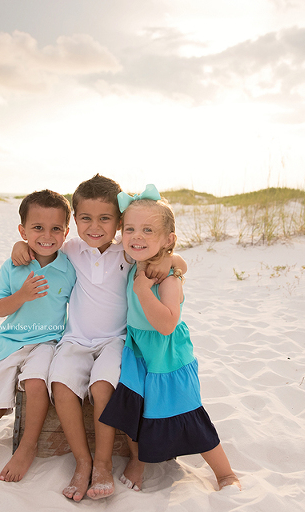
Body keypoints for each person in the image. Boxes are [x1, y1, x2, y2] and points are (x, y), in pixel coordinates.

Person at [10, 175, 187, 501]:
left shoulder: (128, 252)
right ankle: (83, 461)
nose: (95, 226)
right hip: (75, 339)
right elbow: (39, 247)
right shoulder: (72, 249)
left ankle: (103, 463)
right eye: (85, 218)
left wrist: (171, 259)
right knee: (61, 386)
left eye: (105, 218)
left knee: (102, 388)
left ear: (119, 222)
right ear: (73, 220)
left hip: (115, 341)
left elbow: (173, 258)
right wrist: (20, 245)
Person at [99, 185, 241, 492]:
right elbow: (179, 260)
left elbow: (167, 324)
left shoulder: (167, 278)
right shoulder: (137, 262)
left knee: (186, 411)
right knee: (135, 407)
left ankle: (224, 472)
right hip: (138, 350)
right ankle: (139, 460)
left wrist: (143, 288)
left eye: (148, 230)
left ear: (168, 240)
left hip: (167, 354)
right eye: (130, 229)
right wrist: (172, 258)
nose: (136, 236)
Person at [0, 189, 76, 485]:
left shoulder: (69, 268)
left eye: (55, 229)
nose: (46, 235)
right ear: (23, 231)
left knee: (36, 384)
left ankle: (27, 447)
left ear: (66, 231)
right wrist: (22, 295)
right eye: (37, 228)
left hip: (47, 341)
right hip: (11, 341)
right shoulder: (13, 265)